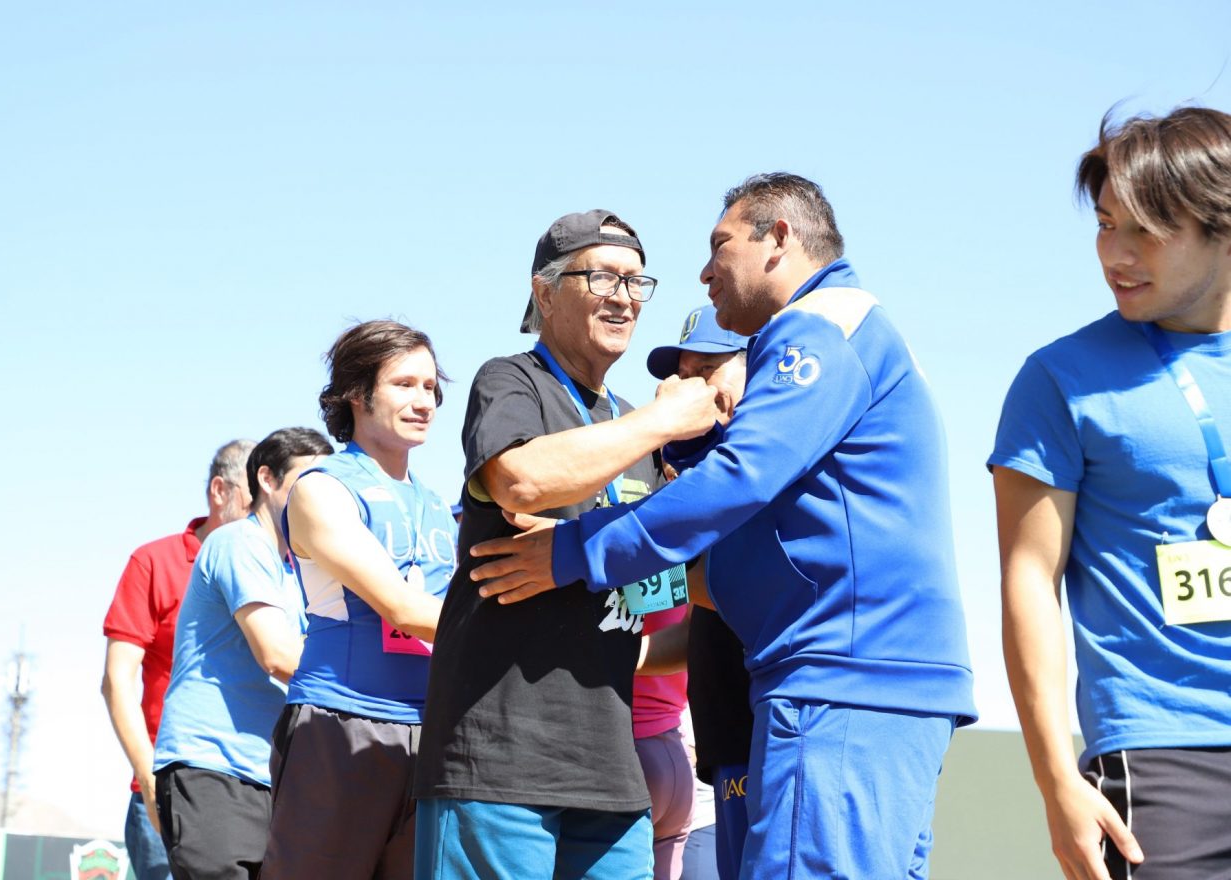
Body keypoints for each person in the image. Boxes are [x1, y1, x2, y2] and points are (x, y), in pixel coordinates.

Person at [470, 175, 977, 880]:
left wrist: (571, 549)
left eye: (720, 246)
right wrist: (701, 426)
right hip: (875, 681)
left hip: (841, 679)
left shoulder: (816, 327)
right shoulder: (843, 332)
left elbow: (738, 480)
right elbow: (747, 524)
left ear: (779, 239)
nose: (704, 273)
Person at [412, 210, 721, 880]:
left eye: (637, 283)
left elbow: (672, 591)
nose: (624, 297)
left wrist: (574, 554)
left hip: (612, 767)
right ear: (544, 292)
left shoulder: (635, 430)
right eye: (603, 277)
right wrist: (663, 420)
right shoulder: (511, 380)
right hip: (499, 756)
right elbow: (519, 479)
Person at [991, 106, 1231, 880]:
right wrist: (1055, 778)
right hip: (1162, 756)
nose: (1115, 256)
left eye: (1146, 232)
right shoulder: (1059, 379)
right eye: (1103, 225)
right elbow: (1029, 580)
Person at [262, 321, 458, 880]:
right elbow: (401, 607)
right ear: (356, 393)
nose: (423, 402)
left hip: (430, 732)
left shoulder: (439, 506)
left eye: (430, 387)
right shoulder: (322, 487)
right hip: (340, 721)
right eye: (404, 384)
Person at [152, 427, 330, 880]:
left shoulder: (296, 571)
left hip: (271, 776)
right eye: (307, 484)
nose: (319, 499)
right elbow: (278, 655)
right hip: (214, 768)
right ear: (266, 480)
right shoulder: (238, 542)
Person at [101, 439, 254, 880]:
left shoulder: (278, 568)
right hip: (171, 787)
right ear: (220, 491)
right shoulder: (155, 562)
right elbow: (116, 681)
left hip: (254, 790)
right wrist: (149, 779)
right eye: (253, 500)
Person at [646, 304, 754, 880]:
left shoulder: (777, 464)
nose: (696, 390)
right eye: (685, 375)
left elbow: (726, 584)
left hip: (784, 731)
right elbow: (693, 613)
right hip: (722, 739)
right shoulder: (690, 468)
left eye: (710, 369)